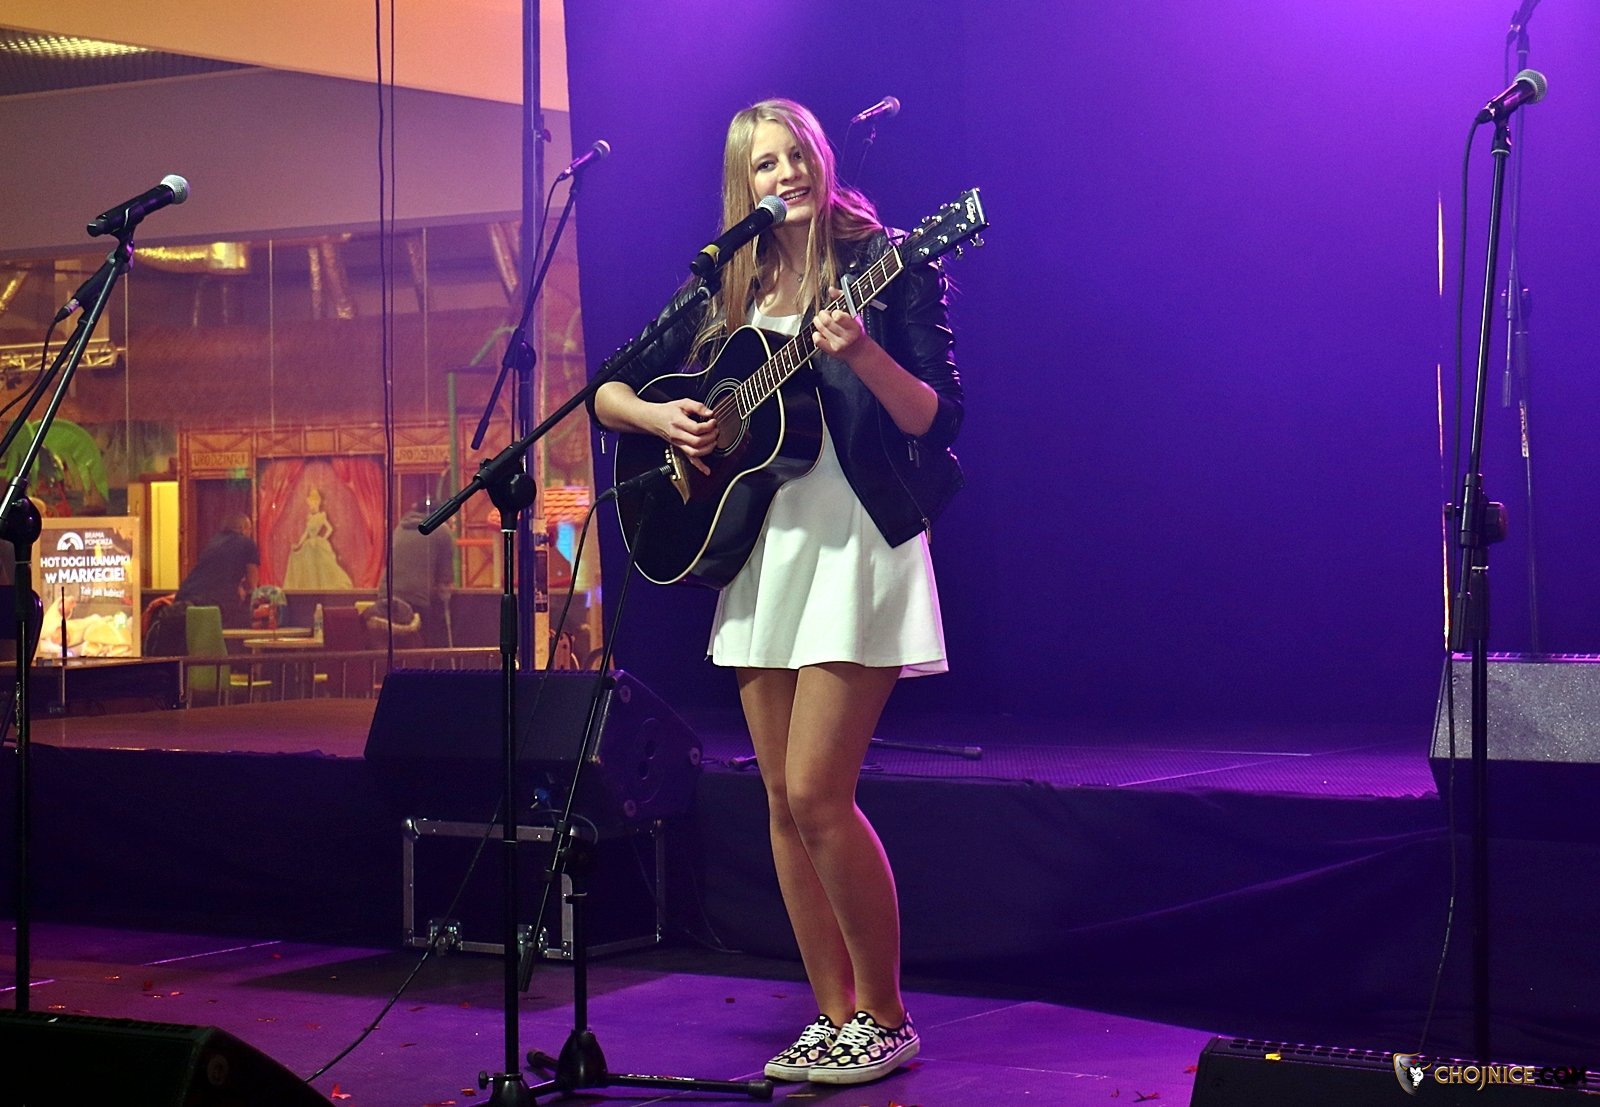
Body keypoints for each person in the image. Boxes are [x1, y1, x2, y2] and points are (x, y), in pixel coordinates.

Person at [592, 98, 963, 1087]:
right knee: (778, 801)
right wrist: (667, 422)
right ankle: (832, 1014)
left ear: (822, 158)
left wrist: (862, 352)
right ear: (743, 184)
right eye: (764, 164)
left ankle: (886, 1015)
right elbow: (607, 388)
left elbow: (935, 416)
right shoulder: (731, 280)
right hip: (762, 552)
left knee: (815, 792)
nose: (785, 174)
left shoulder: (887, 261)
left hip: (857, 544)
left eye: (796, 154)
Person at [382, 497, 454, 646]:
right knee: (422, 647)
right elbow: (445, 578)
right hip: (416, 599)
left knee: (394, 648)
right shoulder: (442, 529)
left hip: (385, 596)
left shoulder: (401, 527)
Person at [176, 513, 261, 628]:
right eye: (250, 529)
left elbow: (215, 573)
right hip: (213, 605)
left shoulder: (212, 543)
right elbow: (252, 584)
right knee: (251, 622)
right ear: (243, 528)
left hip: (183, 601)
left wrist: (238, 586)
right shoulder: (247, 543)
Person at [283, 486, 354, 590]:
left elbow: (330, 529)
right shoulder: (310, 517)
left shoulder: (321, 516)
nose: (312, 505)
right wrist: (299, 544)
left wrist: (323, 538)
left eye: (314, 503)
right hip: (309, 545)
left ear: (318, 503)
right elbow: (306, 533)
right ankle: (311, 588)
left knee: (323, 565)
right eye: (311, 503)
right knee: (307, 564)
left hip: (318, 544)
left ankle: (322, 587)